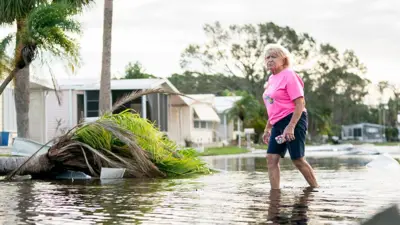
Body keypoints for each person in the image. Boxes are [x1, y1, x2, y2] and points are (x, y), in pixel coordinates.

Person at [262, 43, 318, 190]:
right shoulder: (271, 79)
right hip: (278, 122)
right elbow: (274, 106)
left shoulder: (289, 75)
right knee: (271, 159)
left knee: (297, 159)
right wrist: (268, 128)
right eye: (267, 57)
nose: (269, 60)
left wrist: (291, 126)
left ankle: (316, 189)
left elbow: (300, 103)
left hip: (293, 119)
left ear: (284, 60)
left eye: (274, 56)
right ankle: (275, 194)